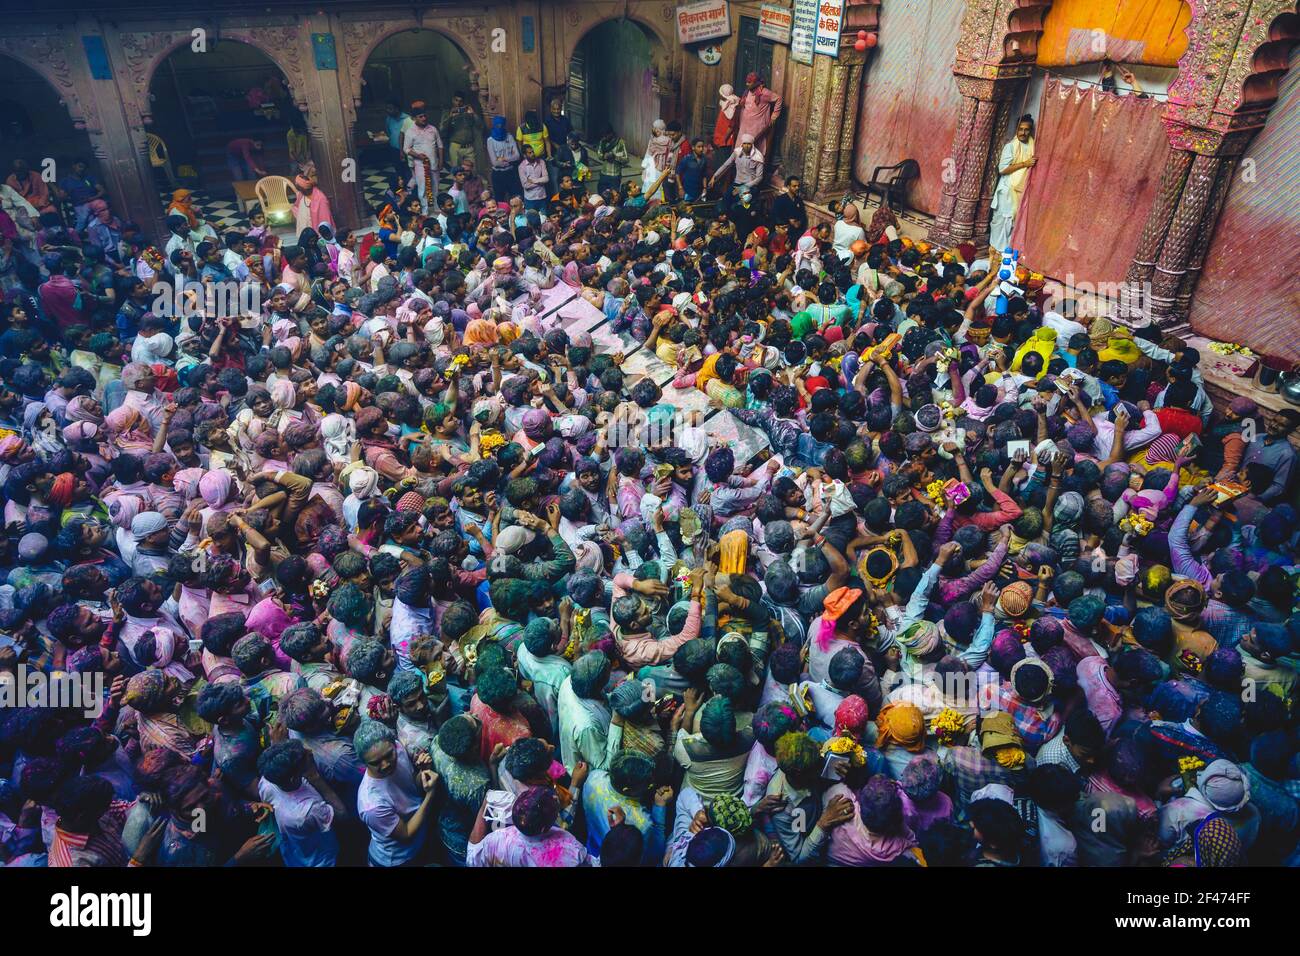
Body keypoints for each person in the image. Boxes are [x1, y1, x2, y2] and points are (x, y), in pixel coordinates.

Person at [989, 114, 1036, 256]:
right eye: (1020, 129)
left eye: (1026, 129)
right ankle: (995, 251)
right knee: (1001, 221)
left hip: (1021, 191)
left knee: (1013, 222)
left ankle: (1006, 254)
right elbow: (1002, 169)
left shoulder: (1032, 146)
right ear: (1016, 129)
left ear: (1030, 130)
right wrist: (1024, 164)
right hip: (1007, 190)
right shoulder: (1010, 147)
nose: (1023, 132)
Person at [404, 103, 445, 216]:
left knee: (435, 186)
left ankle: (437, 207)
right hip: (420, 164)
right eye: (420, 116)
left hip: (434, 163)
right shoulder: (410, 132)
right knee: (422, 188)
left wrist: (441, 161)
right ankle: (425, 210)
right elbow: (406, 149)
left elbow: (440, 146)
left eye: (424, 116)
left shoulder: (433, 129)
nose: (424, 118)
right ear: (414, 118)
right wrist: (418, 155)